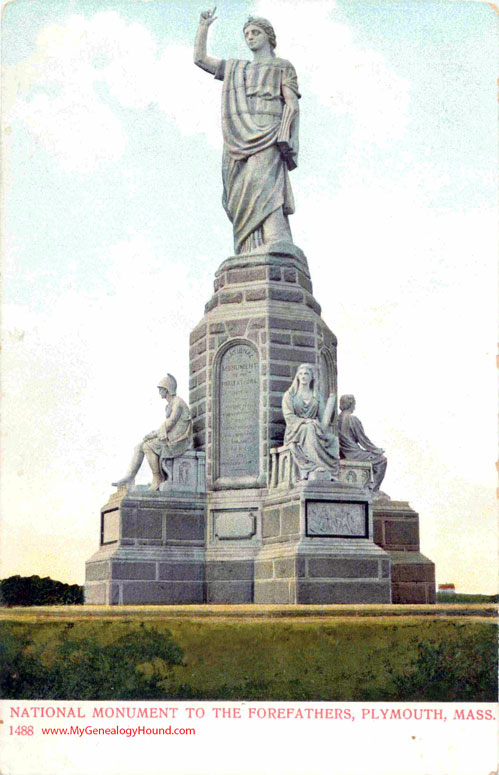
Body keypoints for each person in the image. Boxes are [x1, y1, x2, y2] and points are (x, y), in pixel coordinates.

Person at [194, 10, 300, 254]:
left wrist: (289, 135)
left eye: (256, 33)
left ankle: (277, 240)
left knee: (265, 187)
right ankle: (249, 249)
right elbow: (200, 59)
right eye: (247, 34)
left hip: (270, 132)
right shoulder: (238, 69)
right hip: (240, 135)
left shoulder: (283, 66)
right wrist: (203, 27)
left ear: (268, 37)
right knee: (242, 191)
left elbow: (292, 104)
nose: (250, 37)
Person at [112, 375, 192, 491]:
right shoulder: (170, 404)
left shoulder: (177, 403)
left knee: (148, 446)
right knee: (139, 446)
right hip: (171, 437)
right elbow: (167, 426)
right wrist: (154, 433)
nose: (159, 391)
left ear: (167, 389)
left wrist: (153, 435)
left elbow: (170, 423)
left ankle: (157, 478)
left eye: (161, 389)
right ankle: (130, 477)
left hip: (179, 441)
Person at [282, 364, 339, 480]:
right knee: (309, 428)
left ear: (311, 377)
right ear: (297, 377)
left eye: (306, 374)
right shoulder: (290, 395)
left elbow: (323, 419)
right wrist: (305, 421)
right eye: (301, 374)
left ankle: (329, 470)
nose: (303, 376)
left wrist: (330, 404)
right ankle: (315, 466)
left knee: (333, 439)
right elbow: (289, 417)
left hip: (314, 427)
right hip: (295, 430)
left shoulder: (316, 396)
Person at [338, 394, 388, 498]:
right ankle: (373, 490)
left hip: (343, 453)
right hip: (354, 454)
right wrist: (376, 450)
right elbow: (363, 440)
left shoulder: (337, 419)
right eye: (354, 403)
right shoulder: (352, 419)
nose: (355, 405)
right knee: (382, 460)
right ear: (351, 404)